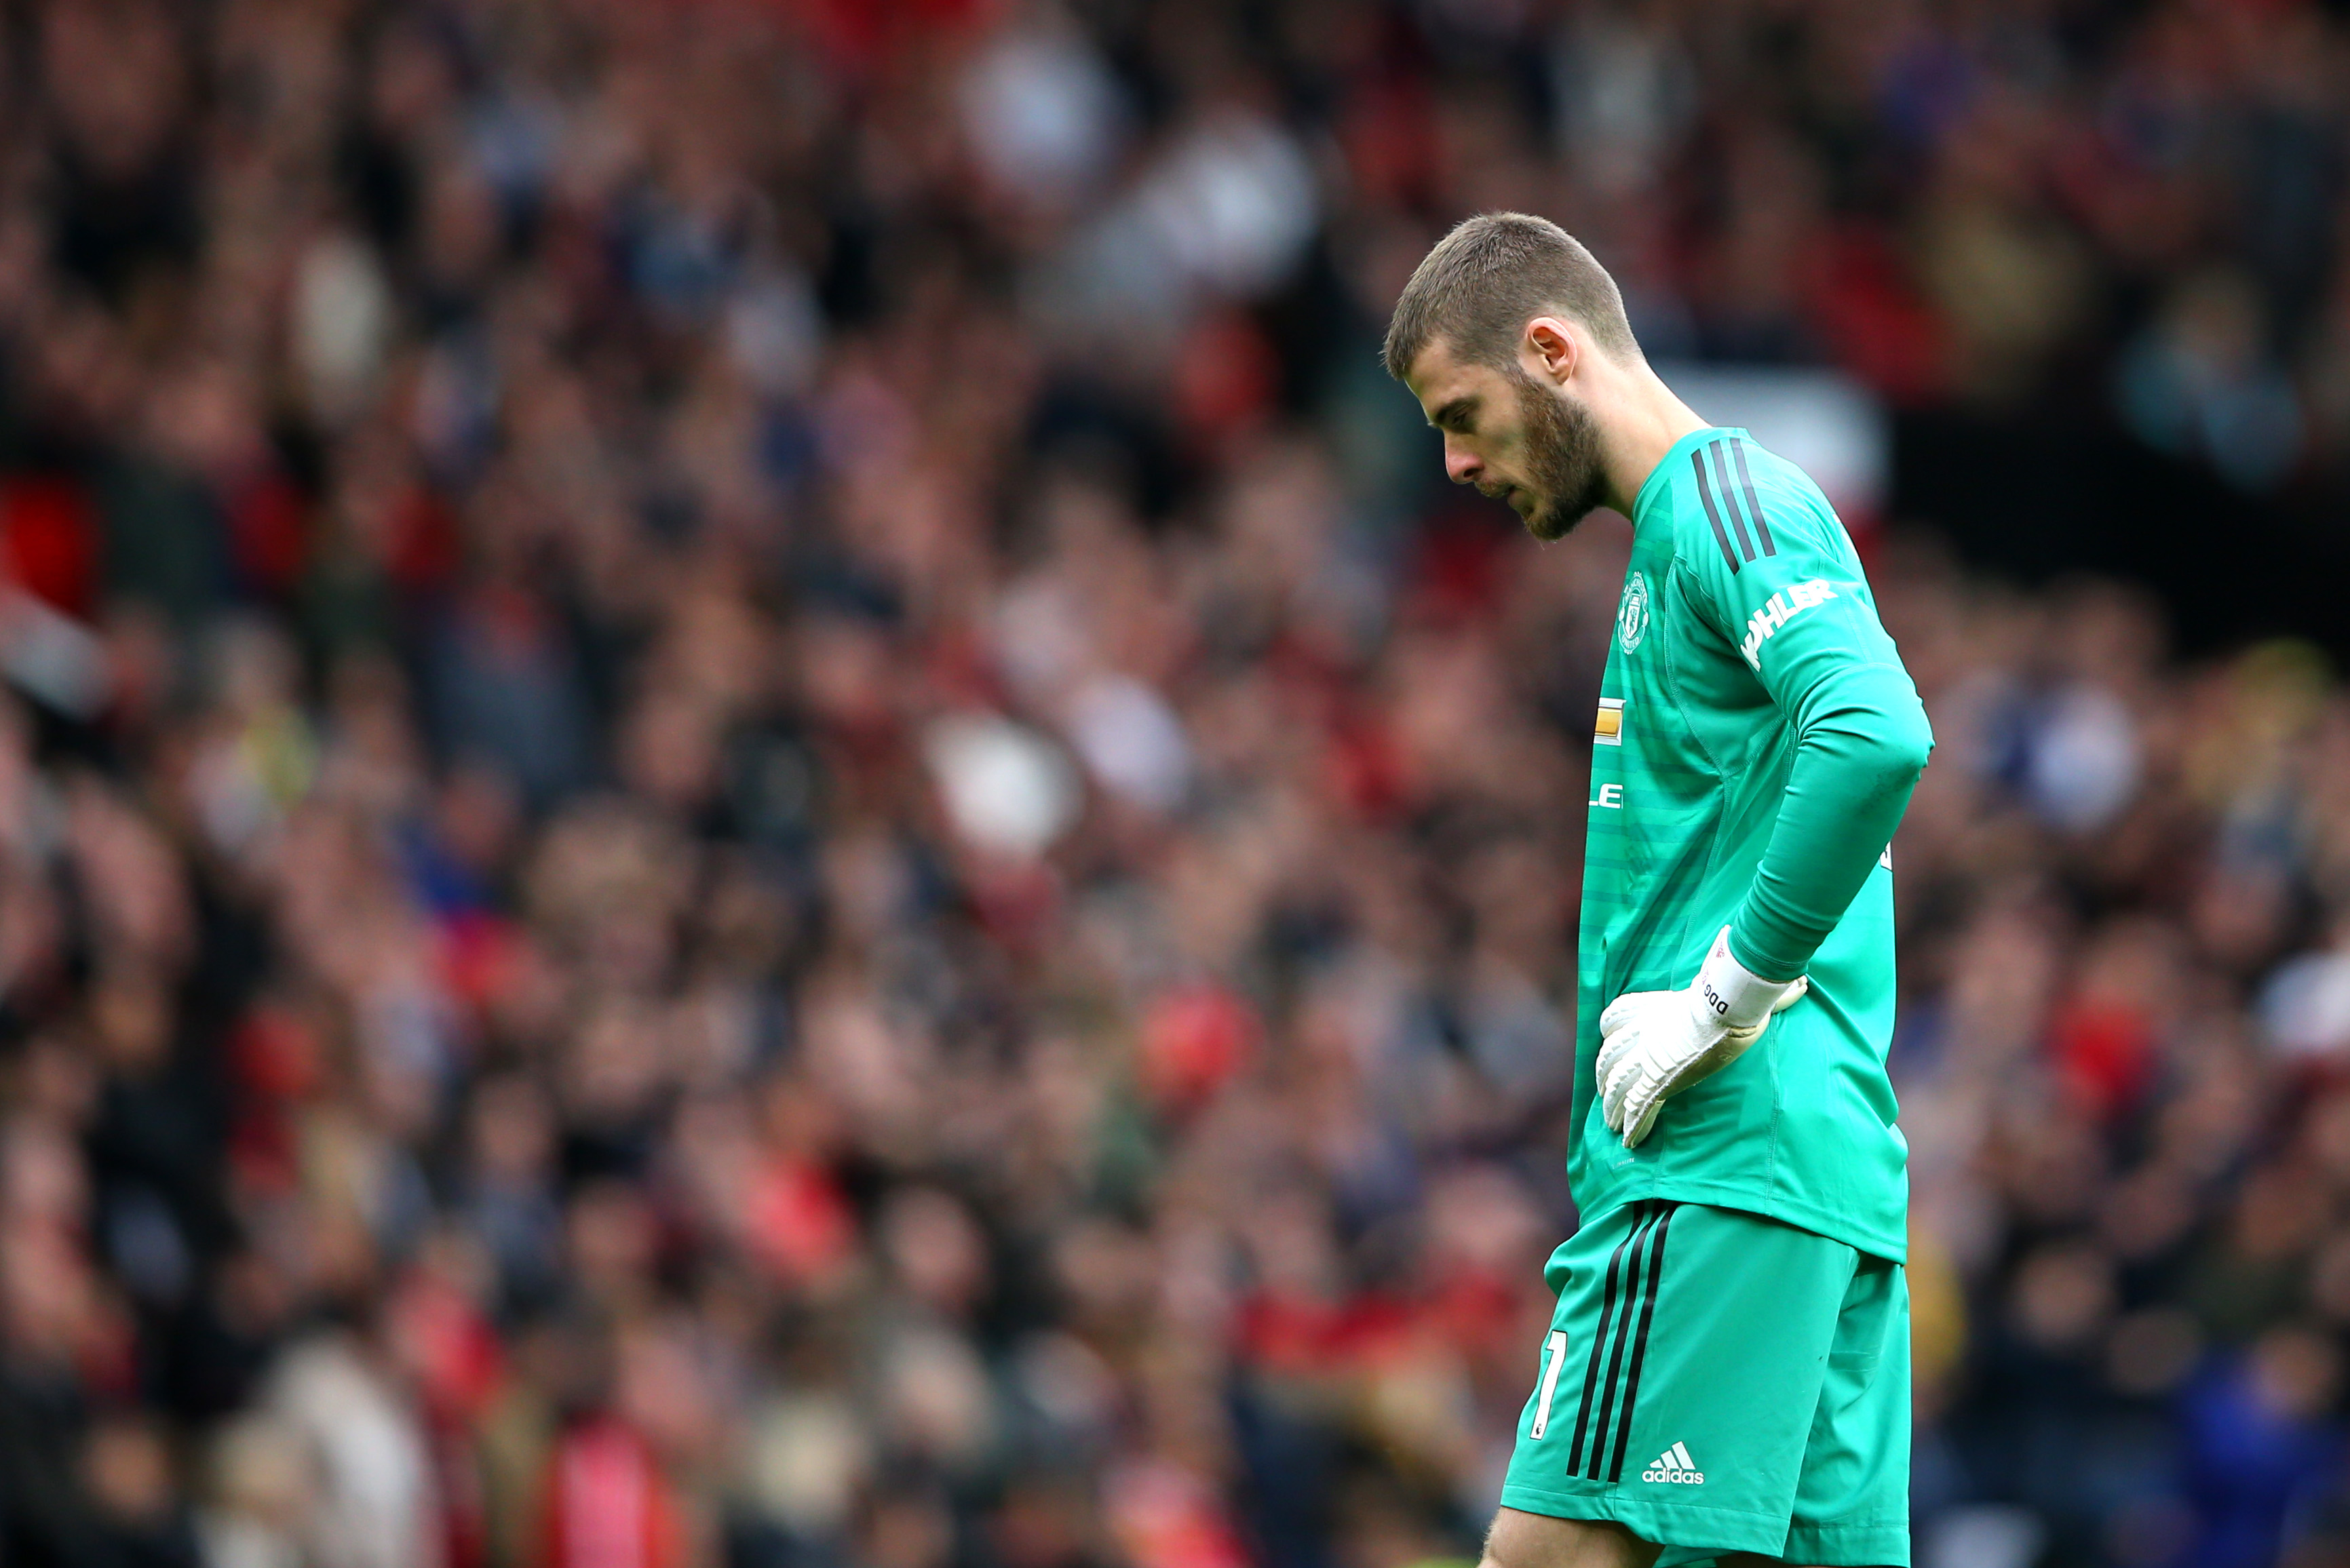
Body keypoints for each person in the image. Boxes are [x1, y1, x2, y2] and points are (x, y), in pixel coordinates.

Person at [1383, 213, 1935, 1568]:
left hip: (1722, 1157)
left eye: (1461, 415)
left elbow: (1873, 729)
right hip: (1804, 1176)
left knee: (1552, 1553)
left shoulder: (1726, 498)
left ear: (1550, 351)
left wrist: (1723, 997)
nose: (1456, 463)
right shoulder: (1674, 545)